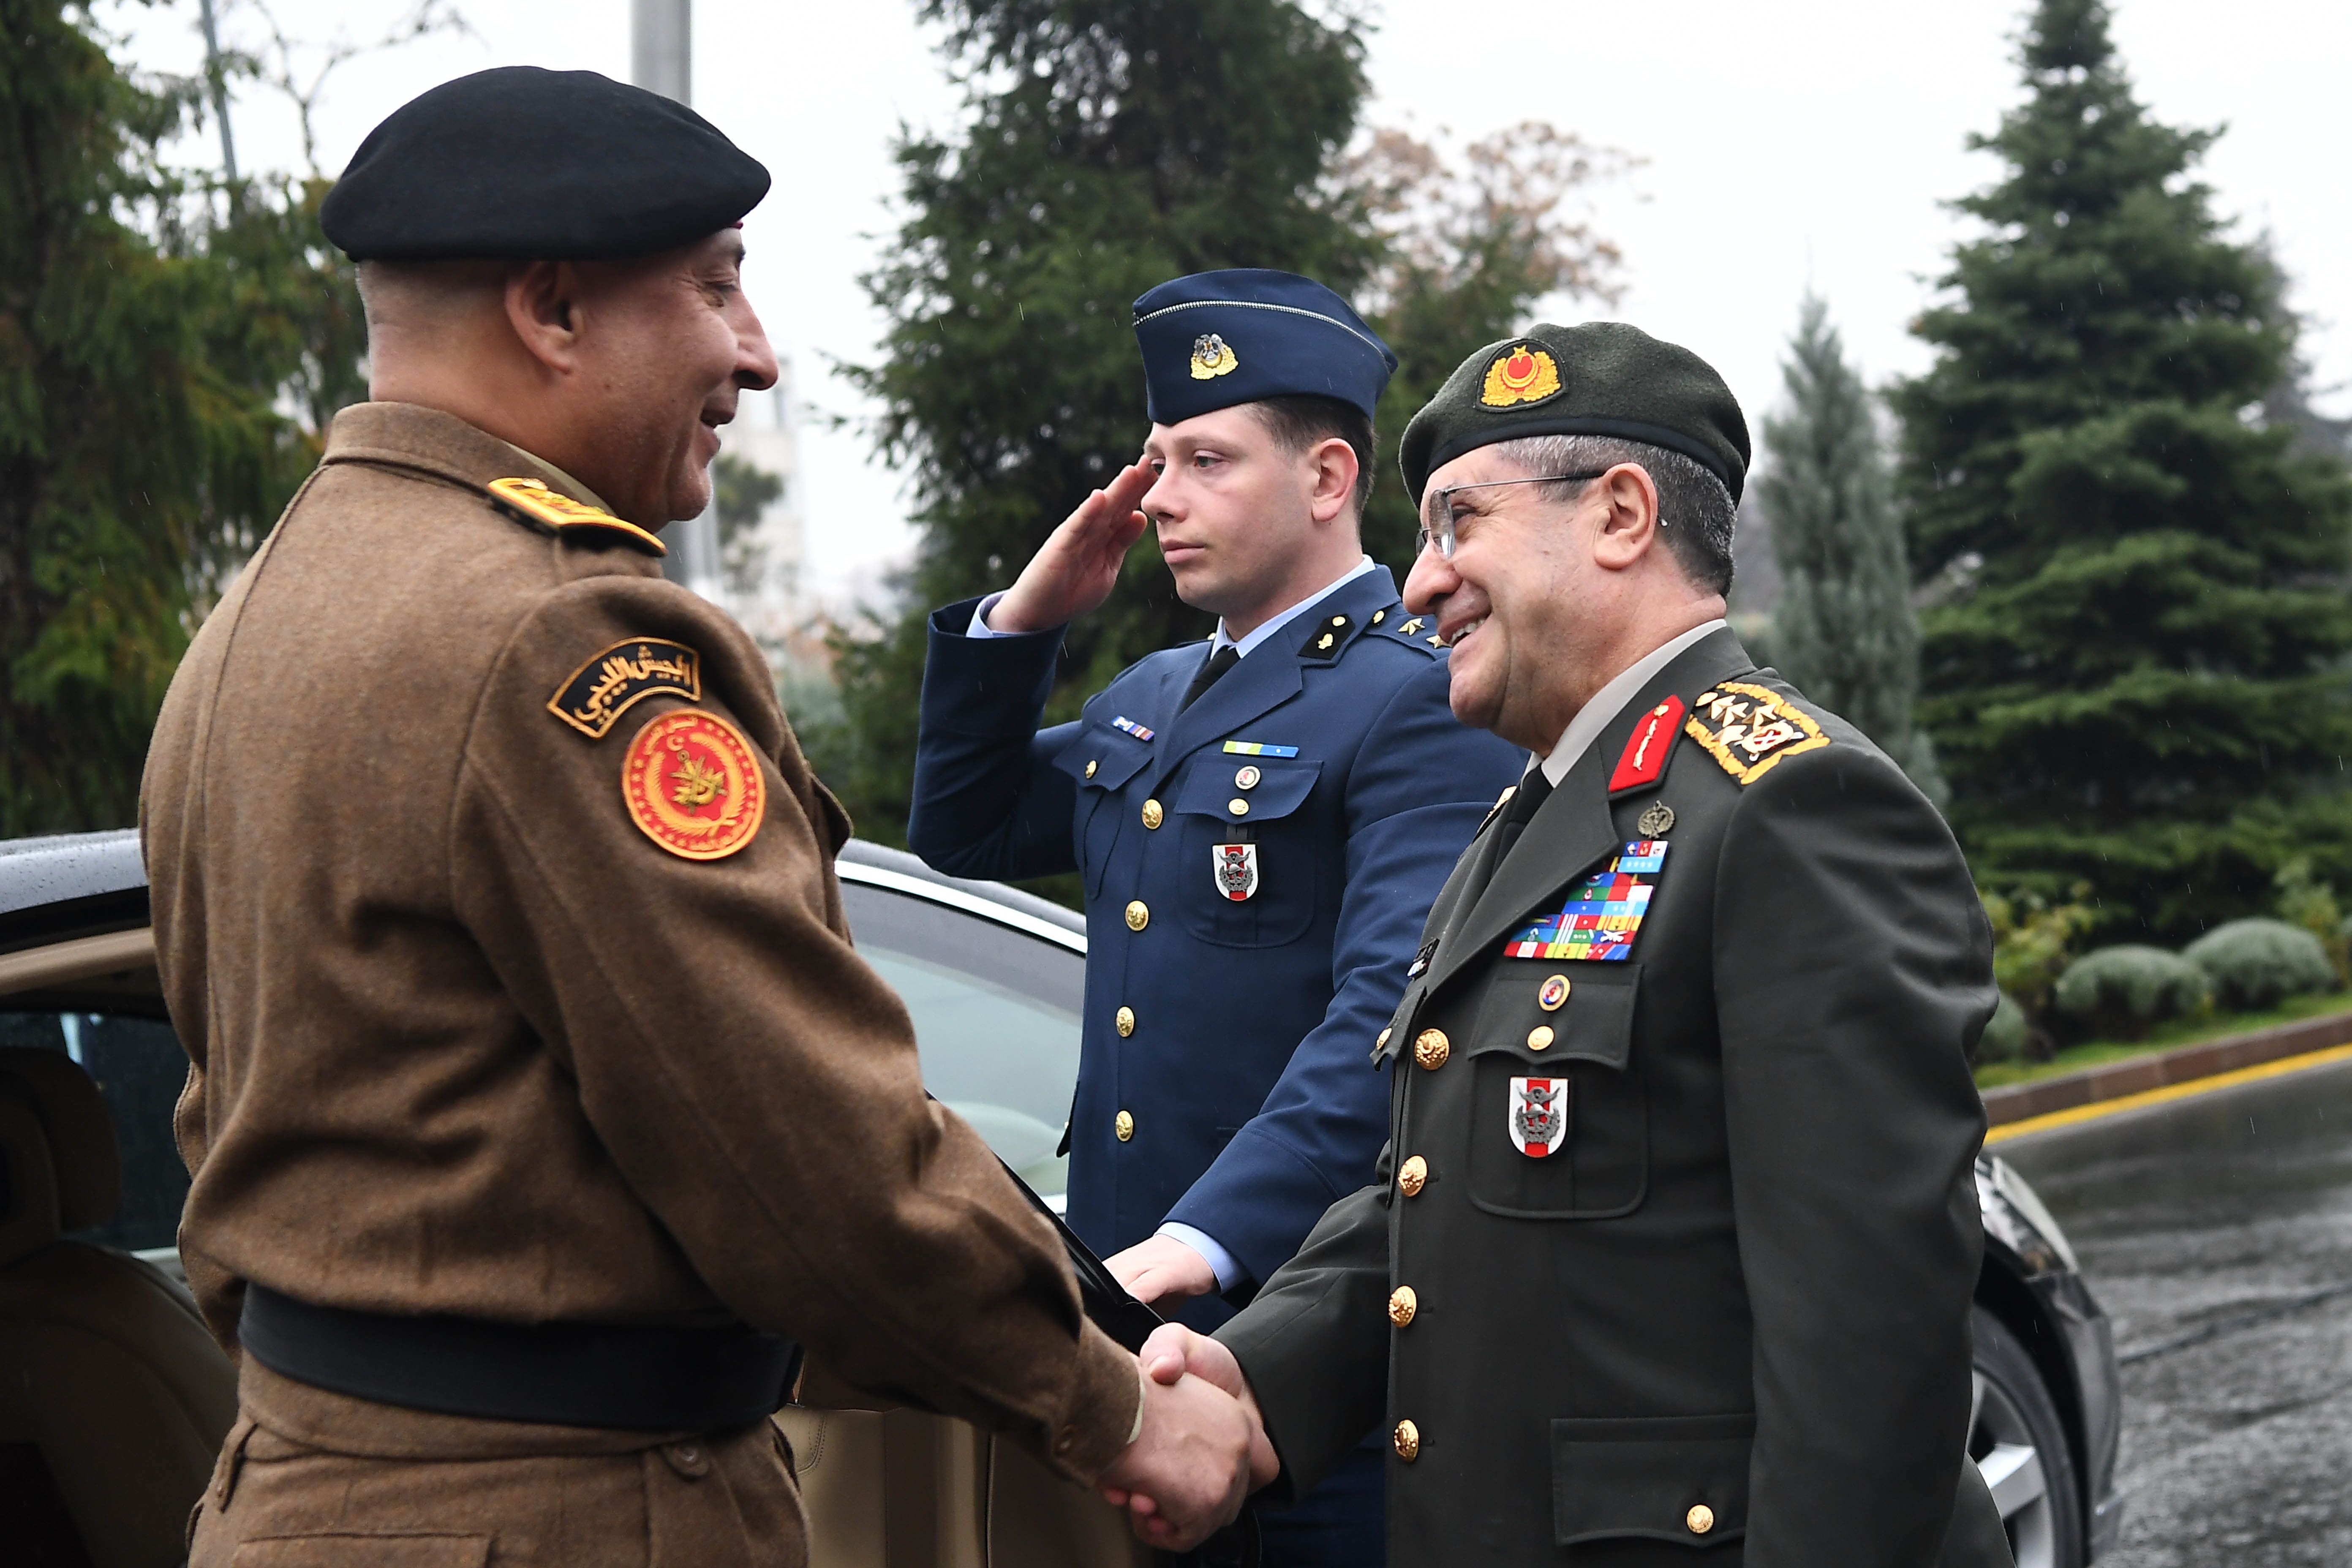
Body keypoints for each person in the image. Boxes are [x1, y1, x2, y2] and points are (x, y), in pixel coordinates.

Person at [142, 67, 1257, 1568]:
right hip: (560, 1518)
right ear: (554, 310)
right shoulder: (561, 635)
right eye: (716, 288)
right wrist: (1111, 1406)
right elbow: (799, 1143)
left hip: (306, 1492)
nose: (758, 354)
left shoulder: (268, 612)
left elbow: (238, 1112)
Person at [1128, 322, 2019, 1564]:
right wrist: (1257, 1383)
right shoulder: (1539, 816)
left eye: (1458, 524)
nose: (1420, 584)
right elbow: (1435, 1195)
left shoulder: (1792, 808)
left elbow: (1871, 1340)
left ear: (1619, 515)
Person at [908, 269, 1524, 1561]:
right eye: (1153, 462)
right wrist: (1024, 621)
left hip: (1305, 1351)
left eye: (1206, 460)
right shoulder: (1151, 696)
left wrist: (1205, 1239)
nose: (1157, 498)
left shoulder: (1414, 699)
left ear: (1327, 477)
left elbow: (1394, 1015)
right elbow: (961, 831)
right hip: (1134, 1341)